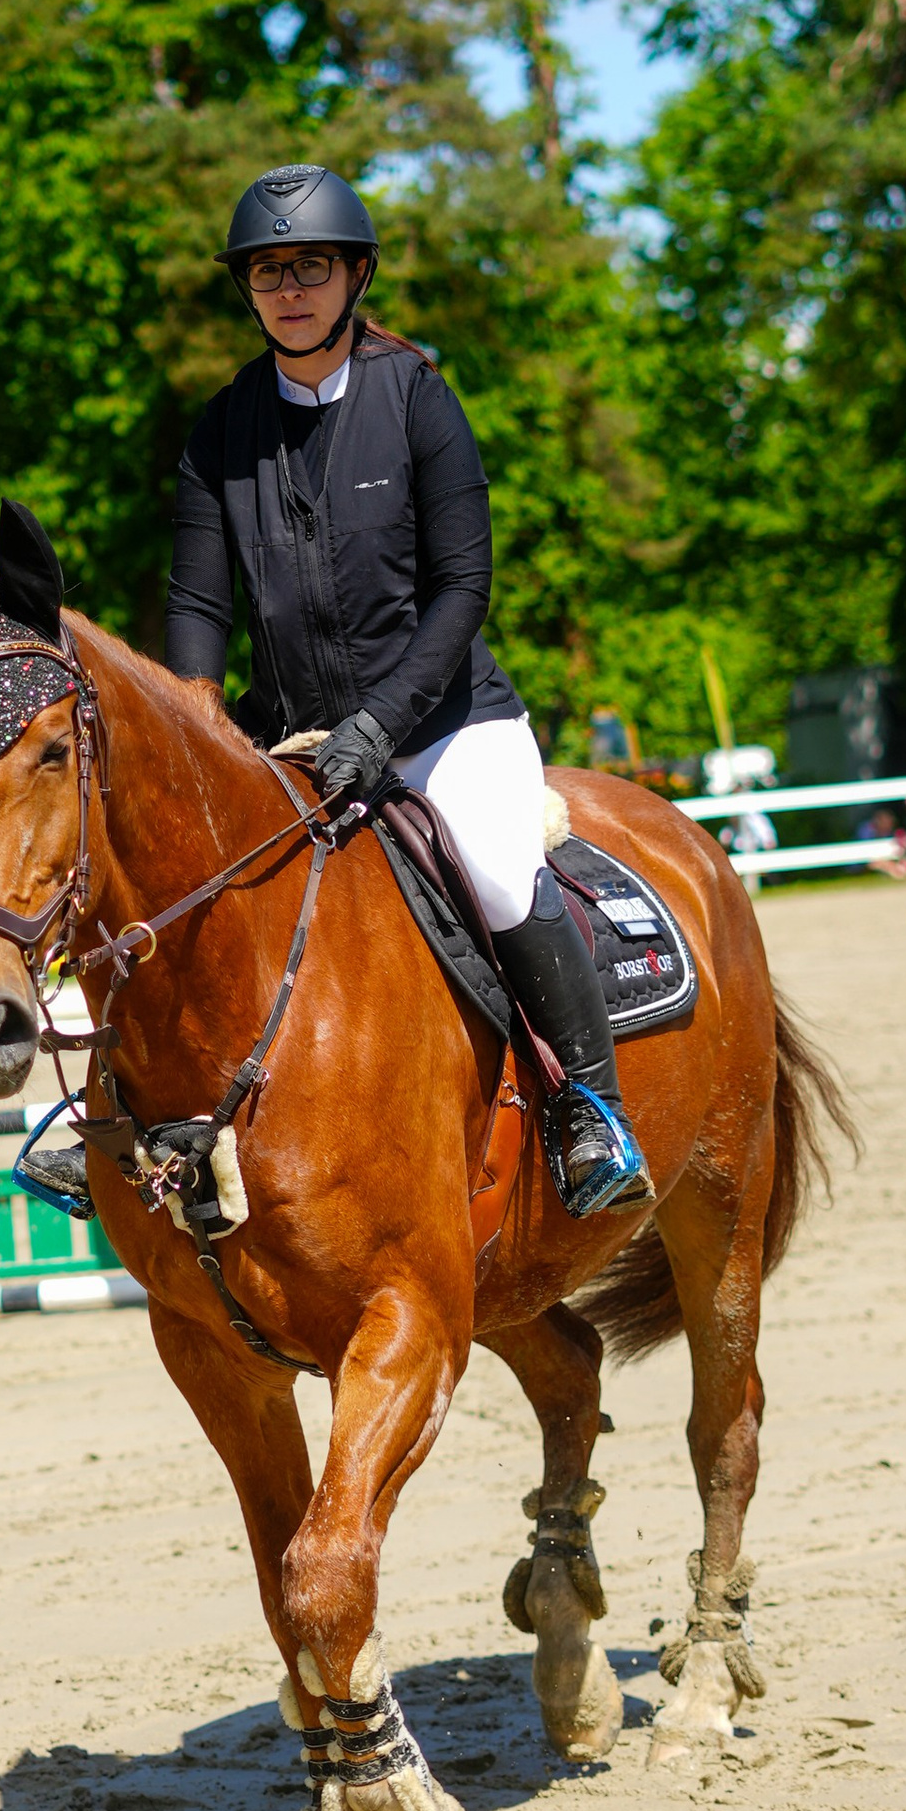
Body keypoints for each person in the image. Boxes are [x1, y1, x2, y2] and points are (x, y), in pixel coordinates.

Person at [163, 160, 651, 1218]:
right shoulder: (218, 435)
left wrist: (380, 724)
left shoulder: (416, 395)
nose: (287, 288)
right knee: (166, 873)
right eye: (265, 272)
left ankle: (589, 1112)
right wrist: (198, 723)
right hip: (288, 736)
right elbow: (196, 607)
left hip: (441, 724)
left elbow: (461, 587)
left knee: (496, 865)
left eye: (309, 267)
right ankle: (109, 1117)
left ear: (355, 275)